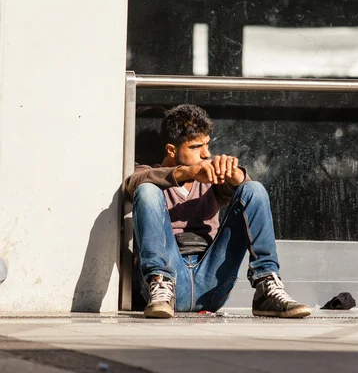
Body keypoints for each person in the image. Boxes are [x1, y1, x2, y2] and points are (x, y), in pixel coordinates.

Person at [124, 104, 311, 319]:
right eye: (195, 147)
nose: (206, 153)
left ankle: (266, 286)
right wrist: (187, 172)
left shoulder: (211, 175)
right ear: (171, 150)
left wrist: (234, 176)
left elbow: (248, 195)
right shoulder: (148, 173)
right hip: (167, 286)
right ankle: (159, 281)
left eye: (207, 144)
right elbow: (135, 183)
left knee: (253, 188)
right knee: (146, 190)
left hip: (211, 282)